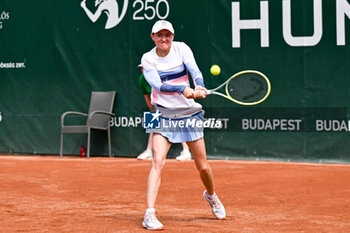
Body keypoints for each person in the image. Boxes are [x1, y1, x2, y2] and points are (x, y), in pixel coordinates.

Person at [140, 20, 226, 230]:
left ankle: (211, 195)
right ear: (153, 37)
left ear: (172, 36)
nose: (164, 39)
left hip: (188, 113)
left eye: (167, 35)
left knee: (203, 166)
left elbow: (195, 71)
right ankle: (149, 214)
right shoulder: (147, 59)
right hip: (163, 113)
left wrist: (199, 86)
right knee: (158, 162)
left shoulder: (182, 48)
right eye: (159, 35)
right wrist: (182, 89)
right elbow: (157, 85)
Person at [137, 64, 192, 161]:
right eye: (141, 68)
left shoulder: (162, 76)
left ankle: (186, 151)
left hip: (172, 101)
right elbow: (146, 96)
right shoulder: (142, 79)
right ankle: (149, 151)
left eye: (145, 68)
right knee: (153, 123)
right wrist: (152, 110)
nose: (143, 70)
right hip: (157, 103)